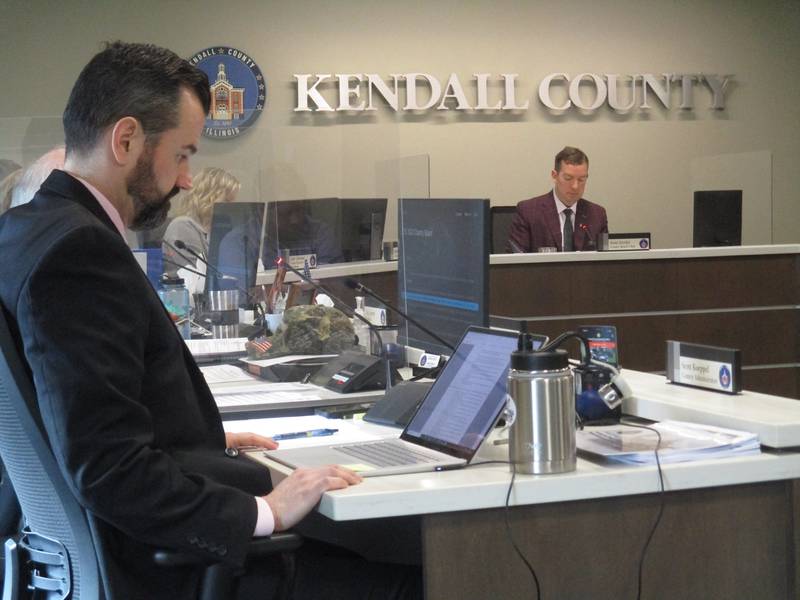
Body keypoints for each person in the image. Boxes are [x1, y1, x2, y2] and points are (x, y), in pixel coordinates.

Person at [0, 42, 419, 600]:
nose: (188, 179)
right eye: (182, 154)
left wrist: (198, 436)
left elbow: (73, 412)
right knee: (427, 578)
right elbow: (107, 469)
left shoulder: (23, 231)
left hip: (125, 553)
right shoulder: (80, 253)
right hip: (170, 570)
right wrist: (264, 511)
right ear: (125, 140)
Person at [507, 146, 608, 252]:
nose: (575, 186)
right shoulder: (529, 212)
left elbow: (606, 260)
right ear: (554, 176)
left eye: (581, 180)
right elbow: (514, 259)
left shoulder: (597, 215)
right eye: (568, 178)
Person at [162, 166, 240, 275]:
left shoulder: (217, 230)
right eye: (227, 200)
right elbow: (200, 275)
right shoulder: (182, 226)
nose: (231, 207)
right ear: (209, 196)